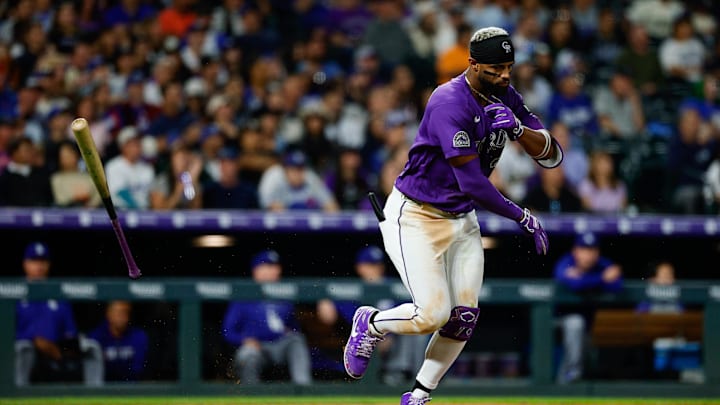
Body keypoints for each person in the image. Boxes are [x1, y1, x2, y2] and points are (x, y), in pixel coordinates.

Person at [342, 27, 563, 404]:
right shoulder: (448, 101)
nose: (505, 75)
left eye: (508, 67)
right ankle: (371, 322)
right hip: (416, 216)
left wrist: (520, 129)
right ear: (473, 64)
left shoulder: (506, 94)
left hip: (461, 219)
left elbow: (551, 154)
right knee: (432, 314)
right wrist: (521, 216)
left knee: (463, 317)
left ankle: (419, 395)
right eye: (495, 68)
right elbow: (473, 184)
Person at [15, 242, 104, 386]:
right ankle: (16, 394)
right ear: (25, 264)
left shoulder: (58, 295)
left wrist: (63, 348)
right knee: (23, 348)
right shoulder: (15, 293)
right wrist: (34, 340)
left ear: (49, 265)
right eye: (34, 261)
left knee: (92, 347)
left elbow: (69, 333)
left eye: (43, 261)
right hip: (26, 351)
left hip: (55, 352)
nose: (39, 266)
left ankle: (94, 396)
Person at [222, 250, 312, 386]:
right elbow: (227, 331)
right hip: (256, 346)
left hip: (280, 344)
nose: (273, 270)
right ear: (256, 270)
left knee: (296, 340)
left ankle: (303, 390)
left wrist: (291, 331)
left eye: (275, 267)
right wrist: (244, 340)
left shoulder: (285, 295)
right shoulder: (243, 295)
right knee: (247, 354)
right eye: (267, 266)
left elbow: (295, 327)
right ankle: (251, 395)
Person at [553, 232, 623, 384]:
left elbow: (617, 285)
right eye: (584, 249)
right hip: (556, 320)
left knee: (580, 329)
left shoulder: (602, 264)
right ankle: (571, 376)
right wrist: (601, 278)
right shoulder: (566, 262)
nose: (588, 255)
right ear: (575, 251)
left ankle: (565, 383)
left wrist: (585, 279)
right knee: (575, 323)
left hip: (588, 325)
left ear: (597, 252)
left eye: (592, 250)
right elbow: (575, 285)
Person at [88, 300, 149, 382]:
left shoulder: (138, 336)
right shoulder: (96, 336)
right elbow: (94, 371)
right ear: (108, 314)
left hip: (131, 387)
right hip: (103, 387)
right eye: (118, 313)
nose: (122, 317)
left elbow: (137, 370)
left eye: (125, 313)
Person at [105, 126, 155, 210]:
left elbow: (153, 194)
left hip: (145, 212)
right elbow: (120, 193)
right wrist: (139, 210)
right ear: (123, 147)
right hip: (121, 211)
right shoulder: (113, 166)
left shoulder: (147, 168)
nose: (136, 147)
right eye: (132, 144)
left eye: (138, 143)